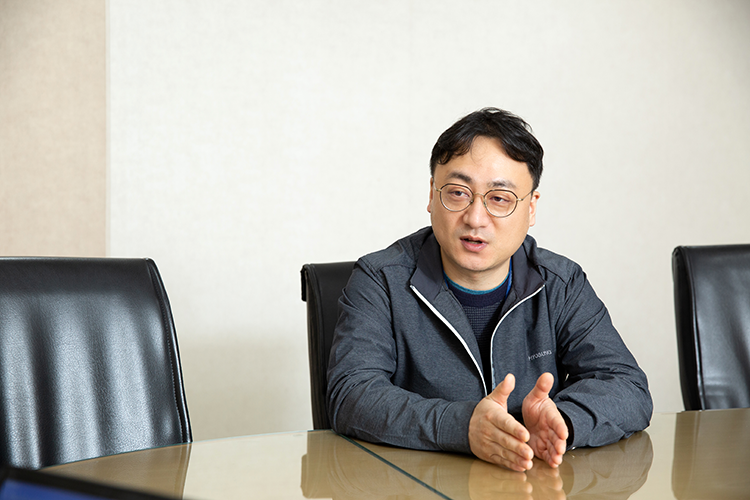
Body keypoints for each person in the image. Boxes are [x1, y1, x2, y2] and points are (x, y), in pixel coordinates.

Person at [326, 107, 653, 472]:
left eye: (499, 198)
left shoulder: (561, 283)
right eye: (458, 193)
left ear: (531, 208)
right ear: (432, 196)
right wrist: (463, 427)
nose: (475, 218)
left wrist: (562, 421)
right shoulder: (380, 280)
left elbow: (627, 386)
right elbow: (351, 394)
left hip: (533, 484)